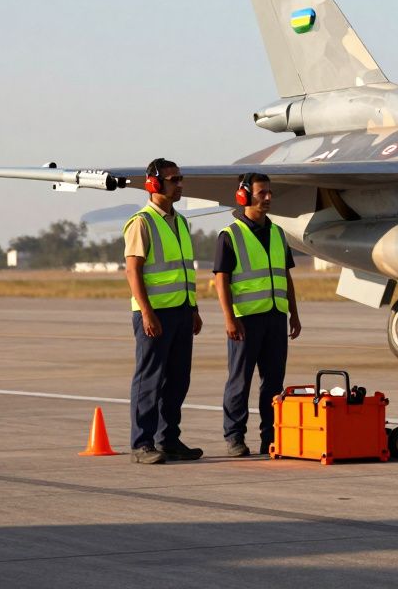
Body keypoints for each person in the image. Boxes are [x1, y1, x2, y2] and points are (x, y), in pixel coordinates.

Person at [213, 172, 301, 457]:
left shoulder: (277, 233)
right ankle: (235, 437)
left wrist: (294, 314)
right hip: (245, 320)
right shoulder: (230, 235)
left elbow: (285, 276)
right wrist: (229, 318)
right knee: (240, 380)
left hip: (276, 317)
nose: (268, 198)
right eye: (262, 193)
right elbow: (221, 280)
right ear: (244, 196)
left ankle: (271, 436)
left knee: (274, 383)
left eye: (269, 193)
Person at [123, 158, 203, 465]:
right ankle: (141, 443)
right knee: (149, 380)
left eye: (180, 178)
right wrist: (146, 312)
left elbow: (184, 270)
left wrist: (193, 308)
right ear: (154, 184)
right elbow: (133, 271)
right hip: (155, 313)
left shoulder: (181, 222)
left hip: (181, 312)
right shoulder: (141, 222)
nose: (179, 184)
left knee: (178, 379)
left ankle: (168, 439)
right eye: (173, 179)